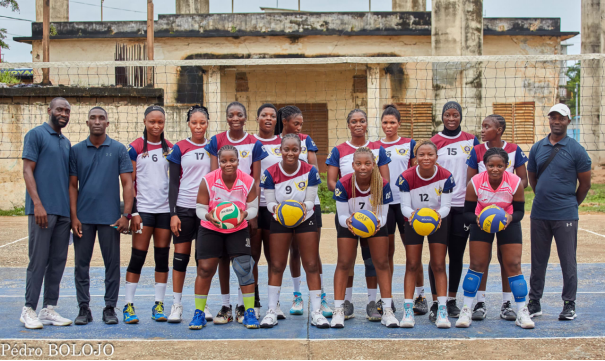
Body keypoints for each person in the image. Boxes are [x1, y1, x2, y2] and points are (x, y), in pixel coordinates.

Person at [69, 107, 134, 326]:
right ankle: (83, 308)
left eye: (102, 118)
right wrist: (74, 216)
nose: (97, 121)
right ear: (87, 123)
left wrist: (126, 214)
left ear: (107, 123)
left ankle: (109, 308)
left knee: (112, 264)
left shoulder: (118, 149)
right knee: (81, 265)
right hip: (84, 218)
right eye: (93, 118)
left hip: (111, 218)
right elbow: (72, 185)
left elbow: (128, 183)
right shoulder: (76, 150)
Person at [457, 147, 535, 329]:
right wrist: (478, 219)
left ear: (507, 166)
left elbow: (520, 212)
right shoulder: (475, 182)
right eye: (491, 165)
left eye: (500, 165)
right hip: (481, 222)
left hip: (507, 220)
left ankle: (522, 311)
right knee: (476, 265)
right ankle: (467, 309)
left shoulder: (514, 182)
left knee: (514, 264)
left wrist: (509, 218)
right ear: (484, 166)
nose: (495, 169)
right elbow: (466, 213)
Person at [205, 101, 268, 324]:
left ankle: (243, 306)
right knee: (222, 259)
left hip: (243, 210)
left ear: (245, 117)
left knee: (244, 261)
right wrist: (216, 211)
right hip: (220, 210)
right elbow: (213, 174)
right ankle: (225, 305)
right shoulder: (216, 141)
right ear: (226, 117)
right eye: (230, 115)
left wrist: (252, 213)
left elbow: (256, 179)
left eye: (239, 114)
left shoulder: (254, 143)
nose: (235, 118)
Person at [527, 103, 592, 321]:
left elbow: (584, 184)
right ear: (549, 120)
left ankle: (569, 304)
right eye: (553, 117)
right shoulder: (537, 148)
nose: (556, 121)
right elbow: (533, 179)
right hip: (539, 213)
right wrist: (544, 197)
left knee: (567, 260)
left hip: (565, 214)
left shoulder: (577, 150)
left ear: (568, 121)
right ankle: (534, 302)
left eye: (561, 118)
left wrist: (571, 204)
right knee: (538, 260)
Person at [326, 109, 391, 321]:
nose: (358, 124)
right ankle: (345, 303)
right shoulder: (339, 150)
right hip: (349, 212)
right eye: (353, 121)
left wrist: (373, 220)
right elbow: (331, 182)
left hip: (373, 215)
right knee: (346, 261)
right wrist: (349, 213)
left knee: (375, 261)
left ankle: (375, 304)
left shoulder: (378, 150)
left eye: (362, 121)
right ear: (348, 124)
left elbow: (383, 182)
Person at [259, 134, 330, 329]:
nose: (290, 153)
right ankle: (272, 310)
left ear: (301, 151)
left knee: (311, 263)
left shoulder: (311, 172)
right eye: (286, 149)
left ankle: (316, 312)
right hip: (280, 220)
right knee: (276, 264)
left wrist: (297, 209)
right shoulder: (270, 173)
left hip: (305, 219)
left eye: (295, 150)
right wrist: (281, 210)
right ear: (280, 150)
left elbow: (310, 201)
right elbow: (270, 203)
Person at [466, 114, 529, 322]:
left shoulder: (514, 150)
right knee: (479, 262)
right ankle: (479, 303)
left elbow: (523, 182)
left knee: (510, 262)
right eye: (482, 126)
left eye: (486, 127)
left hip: (506, 214)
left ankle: (508, 303)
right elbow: (472, 183)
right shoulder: (476, 151)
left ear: (499, 129)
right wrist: (485, 208)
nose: (482, 130)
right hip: (482, 214)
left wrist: (505, 191)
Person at [190, 145, 260, 330]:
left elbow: (253, 207)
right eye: (224, 161)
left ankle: (249, 312)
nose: (228, 164)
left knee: (244, 268)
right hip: (211, 227)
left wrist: (244, 215)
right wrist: (208, 216)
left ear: (238, 161)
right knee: (205, 269)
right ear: (219, 162)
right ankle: (199, 313)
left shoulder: (247, 180)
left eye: (232, 160)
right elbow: (200, 208)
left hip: (237, 228)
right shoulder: (208, 180)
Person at [20, 97, 74, 329]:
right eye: (60, 109)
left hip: (63, 213)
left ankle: (48, 308)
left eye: (67, 111)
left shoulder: (66, 142)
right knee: (38, 260)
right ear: (50, 110)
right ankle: (28, 309)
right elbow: (27, 170)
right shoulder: (36, 135)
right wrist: (37, 204)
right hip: (42, 210)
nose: (63, 113)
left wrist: (72, 214)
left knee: (58, 262)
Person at [331, 147, 398, 329]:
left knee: (381, 263)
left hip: (374, 224)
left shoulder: (382, 184)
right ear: (352, 165)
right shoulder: (343, 183)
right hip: (350, 223)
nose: (363, 167)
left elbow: (384, 216)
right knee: (344, 263)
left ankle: (387, 311)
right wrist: (352, 222)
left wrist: (375, 223)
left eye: (367, 163)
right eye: (359, 163)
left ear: (374, 164)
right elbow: (342, 216)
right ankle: (338, 310)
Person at [276, 105, 332, 318]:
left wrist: (306, 198)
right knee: (294, 251)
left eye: (301, 123)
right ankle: (297, 295)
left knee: (312, 251)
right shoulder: (275, 143)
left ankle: (321, 296)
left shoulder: (306, 139)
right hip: (285, 205)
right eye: (296, 123)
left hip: (309, 203)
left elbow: (314, 170)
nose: (300, 127)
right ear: (285, 122)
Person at [123, 106, 173, 324]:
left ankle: (159, 305)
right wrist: (132, 211)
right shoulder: (135, 148)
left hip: (164, 211)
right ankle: (128, 306)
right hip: (143, 211)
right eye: (152, 121)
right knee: (138, 258)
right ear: (145, 121)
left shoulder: (170, 148)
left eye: (160, 122)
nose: (156, 126)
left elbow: (174, 181)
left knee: (162, 258)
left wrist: (174, 211)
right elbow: (129, 182)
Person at [430, 101, 479, 321]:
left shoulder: (471, 140)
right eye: (447, 115)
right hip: (438, 207)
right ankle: (434, 302)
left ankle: (450, 300)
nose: (451, 118)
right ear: (442, 116)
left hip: (462, 205)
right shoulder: (434, 141)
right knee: (436, 258)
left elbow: (478, 171)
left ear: (460, 116)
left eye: (455, 115)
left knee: (456, 255)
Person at [397, 140, 454, 329]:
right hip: (414, 221)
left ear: (437, 157)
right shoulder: (406, 176)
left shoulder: (446, 176)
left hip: (437, 221)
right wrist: (415, 217)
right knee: (412, 264)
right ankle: (407, 311)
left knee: (438, 264)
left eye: (430, 154)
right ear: (416, 158)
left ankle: (442, 310)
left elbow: (446, 206)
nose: (426, 158)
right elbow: (404, 206)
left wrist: (436, 216)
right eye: (421, 155)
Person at [377, 104, 427, 316]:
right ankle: (386, 298)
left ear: (399, 124)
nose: (388, 126)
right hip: (385, 204)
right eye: (385, 122)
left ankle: (420, 295)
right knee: (386, 252)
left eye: (392, 122)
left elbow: (416, 173)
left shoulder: (409, 144)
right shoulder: (375, 146)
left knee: (412, 251)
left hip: (406, 204)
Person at [166, 105, 213, 323]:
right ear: (188, 124)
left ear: (207, 124)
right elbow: (173, 183)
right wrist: (173, 213)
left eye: (202, 122)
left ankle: (201, 305)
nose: (198, 126)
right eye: (194, 122)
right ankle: (176, 305)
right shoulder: (180, 147)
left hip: (206, 209)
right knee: (180, 258)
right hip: (184, 207)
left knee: (203, 260)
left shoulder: (214, 147)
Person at [251, 103, 285, 319]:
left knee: (275, 259)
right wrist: (250, 208)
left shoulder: (285, 142)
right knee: (251, 257)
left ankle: (275, 302)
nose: (269, 118)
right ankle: (253, 301)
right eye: (264, 115)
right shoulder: (250, 142)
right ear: (257, 118)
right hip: (255, 206)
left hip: (276, 208)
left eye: (272, 115)